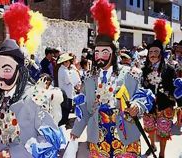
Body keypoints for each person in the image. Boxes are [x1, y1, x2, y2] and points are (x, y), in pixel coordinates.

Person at [70, 0, 154, 157]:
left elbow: (143, 96)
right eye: (96, 52)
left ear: (114, 53)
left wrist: (137, 106)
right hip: (98, 135)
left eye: (104, 52)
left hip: (125, 134)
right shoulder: (89, 78)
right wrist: (76, 130)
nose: (99, 56)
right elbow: (85, 108)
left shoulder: (131, 73)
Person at [0, 39, 65, 157]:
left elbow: (51, 141)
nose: (0, 75)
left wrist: (12, 153)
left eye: (6, 69)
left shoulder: (36, 97)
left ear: (19, 70)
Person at [141, 19, 175, 158]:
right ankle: (152, 145)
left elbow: (175, 88)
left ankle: (162, 153)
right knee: (149, 128)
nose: (153, 54)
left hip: (165, 105)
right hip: (149, 105)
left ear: (161, 53)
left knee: (163, 131)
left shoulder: (170, 69)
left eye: (155, 52)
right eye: (150, 52)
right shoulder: (143, 69)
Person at [57, 53, 74, 127]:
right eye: (68, 61)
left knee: (65, 111)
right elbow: (68, 81)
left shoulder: (63, 70)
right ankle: (62, 126)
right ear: (64, 62)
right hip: (66, 94)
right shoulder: (64, 71)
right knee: (65, 112)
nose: (69, 63)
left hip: (66, 93)